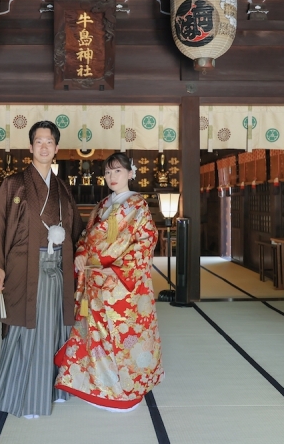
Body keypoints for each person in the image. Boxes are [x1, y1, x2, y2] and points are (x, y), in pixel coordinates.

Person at [0, 120, 84, 419]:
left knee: (56, 326)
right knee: (26, 328)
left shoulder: (61, 188)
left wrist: (77, 256)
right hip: (24, 266)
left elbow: (74, 230)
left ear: (57, 148)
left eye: (50, 142)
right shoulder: (15, 184)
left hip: (56, 267)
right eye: (39, 141)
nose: (44, 146)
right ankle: (24, 398)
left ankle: (55, 387)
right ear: (31, 146)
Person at [55, 152, 164, 412]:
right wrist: (81, 255)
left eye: (117, 171)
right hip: (96, 282)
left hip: (123, 285)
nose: (111, 177)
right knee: (97, 337)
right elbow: (86, 237)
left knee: (123, 340)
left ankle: (124, 391)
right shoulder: (103, 205)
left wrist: (115, 269)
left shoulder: (138, 205)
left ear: (130, 174)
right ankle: (99, 387)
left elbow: (146, 242)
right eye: (107, 172)